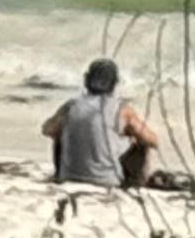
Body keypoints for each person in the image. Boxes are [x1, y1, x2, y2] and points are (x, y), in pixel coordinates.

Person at [45, 56, 160, 190]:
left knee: (59, 133)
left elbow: (47, 129)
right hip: (107, 181)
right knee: (142, 144)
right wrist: (126, 134)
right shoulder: (122, 110)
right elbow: (153, 141)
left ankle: (60, 174)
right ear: (115, 83)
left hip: (68, 178)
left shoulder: (71, 106)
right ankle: (136, 184)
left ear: (86, 79)